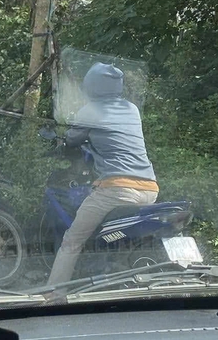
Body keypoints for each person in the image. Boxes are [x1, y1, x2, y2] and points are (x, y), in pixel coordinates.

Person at [47, 62, 158, 285]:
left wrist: (60, 140)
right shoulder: (132, 109)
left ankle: (54, 293)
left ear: (93, 86)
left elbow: (72, 140)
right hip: (150, 189)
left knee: (72, 240)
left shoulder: (90, 111)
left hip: (117, 190)